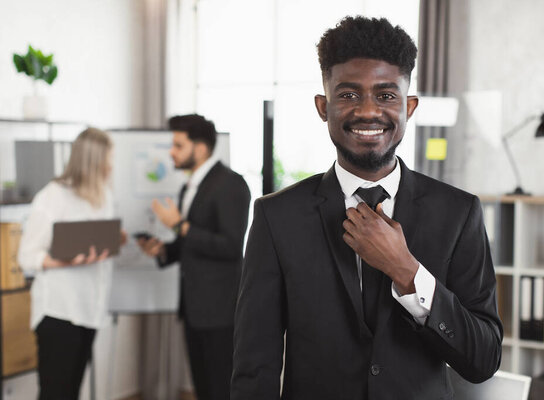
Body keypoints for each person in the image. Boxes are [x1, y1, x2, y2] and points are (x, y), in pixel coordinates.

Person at [231, 16, 503, 400]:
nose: (368, 111)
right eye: (348, 95)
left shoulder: (459, 213)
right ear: (323, 107)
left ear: (409, 107)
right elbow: (253, 366)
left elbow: (484, 358)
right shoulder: (277, 217)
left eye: (386, 95)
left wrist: (406, 271)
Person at [137, 114, 250, 400]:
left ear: (199, 149)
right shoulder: (188, 186)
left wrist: (178, 225)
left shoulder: (231, 184)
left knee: (220, 388)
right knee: (202, 387)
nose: (171, 153)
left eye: (177, 145)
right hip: (193, 307)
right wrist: (162, 250)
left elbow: (230, 246)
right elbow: (190, 242)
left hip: (220, 311)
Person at [18, 128, 124, 400]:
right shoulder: (52, 197)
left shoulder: (104, 196)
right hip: (59, 312)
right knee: (56, 393)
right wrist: (64, 260)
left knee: (72, 390)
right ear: (92, 161)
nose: (111, 166)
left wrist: (114, 240)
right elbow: (27, 256)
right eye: (108, 159)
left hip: (90, 311)